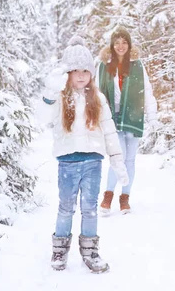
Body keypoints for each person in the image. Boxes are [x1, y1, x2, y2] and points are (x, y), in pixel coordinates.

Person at [41, 36, 129, 272]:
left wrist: (118, 162)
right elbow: (43, 118)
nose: (81, 75)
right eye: (75, 70)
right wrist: (51, 90)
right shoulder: (60, 98)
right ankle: (59, 251)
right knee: (66, 208)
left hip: (92, 161)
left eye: (85, 71)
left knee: (90, 208)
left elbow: (110, 132)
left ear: (91, 73)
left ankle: (90, 252)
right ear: (67, 73)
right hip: (68, 162)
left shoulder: (98, 99)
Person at [97, 26, 158, 215]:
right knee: (118, 158)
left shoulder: (138, 65)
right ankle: (107, 197)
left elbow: (146, 90)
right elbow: (95, 92)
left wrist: (152, 115)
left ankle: (125, 199)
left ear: (129, 44)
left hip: (133, 116)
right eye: (117, 42)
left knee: (130, 160)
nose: (121, 46)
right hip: (112, 117)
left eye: (124, 42)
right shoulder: (103, 65)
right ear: (112, 45)